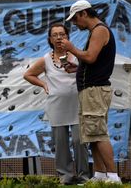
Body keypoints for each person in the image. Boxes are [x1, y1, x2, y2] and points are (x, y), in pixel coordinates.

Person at [62, 0, 122, 184]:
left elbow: (90, 56)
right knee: (93, 135)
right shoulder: (95, 31)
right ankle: (100, 175)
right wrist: (76, 68)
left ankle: (113, 176)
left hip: (95, 91)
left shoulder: (99, 30)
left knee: (98, 134)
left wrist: (72, 49)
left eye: (75, 19)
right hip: (92, 91)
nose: (74, 23)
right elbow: (90, 61)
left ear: (84, 14)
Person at [24, 23, 90, 185]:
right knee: (60, 144)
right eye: (55, 35)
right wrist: (43, 85)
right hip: (56, 107)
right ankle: (65, 176)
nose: (59, 37)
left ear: (68, 37)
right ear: (50, 39)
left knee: (78, 141)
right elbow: (28, 74)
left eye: (62, 34)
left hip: (78, 105)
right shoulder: (46, 59)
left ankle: (83, 177)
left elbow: (89, 72)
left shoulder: (78, 55)